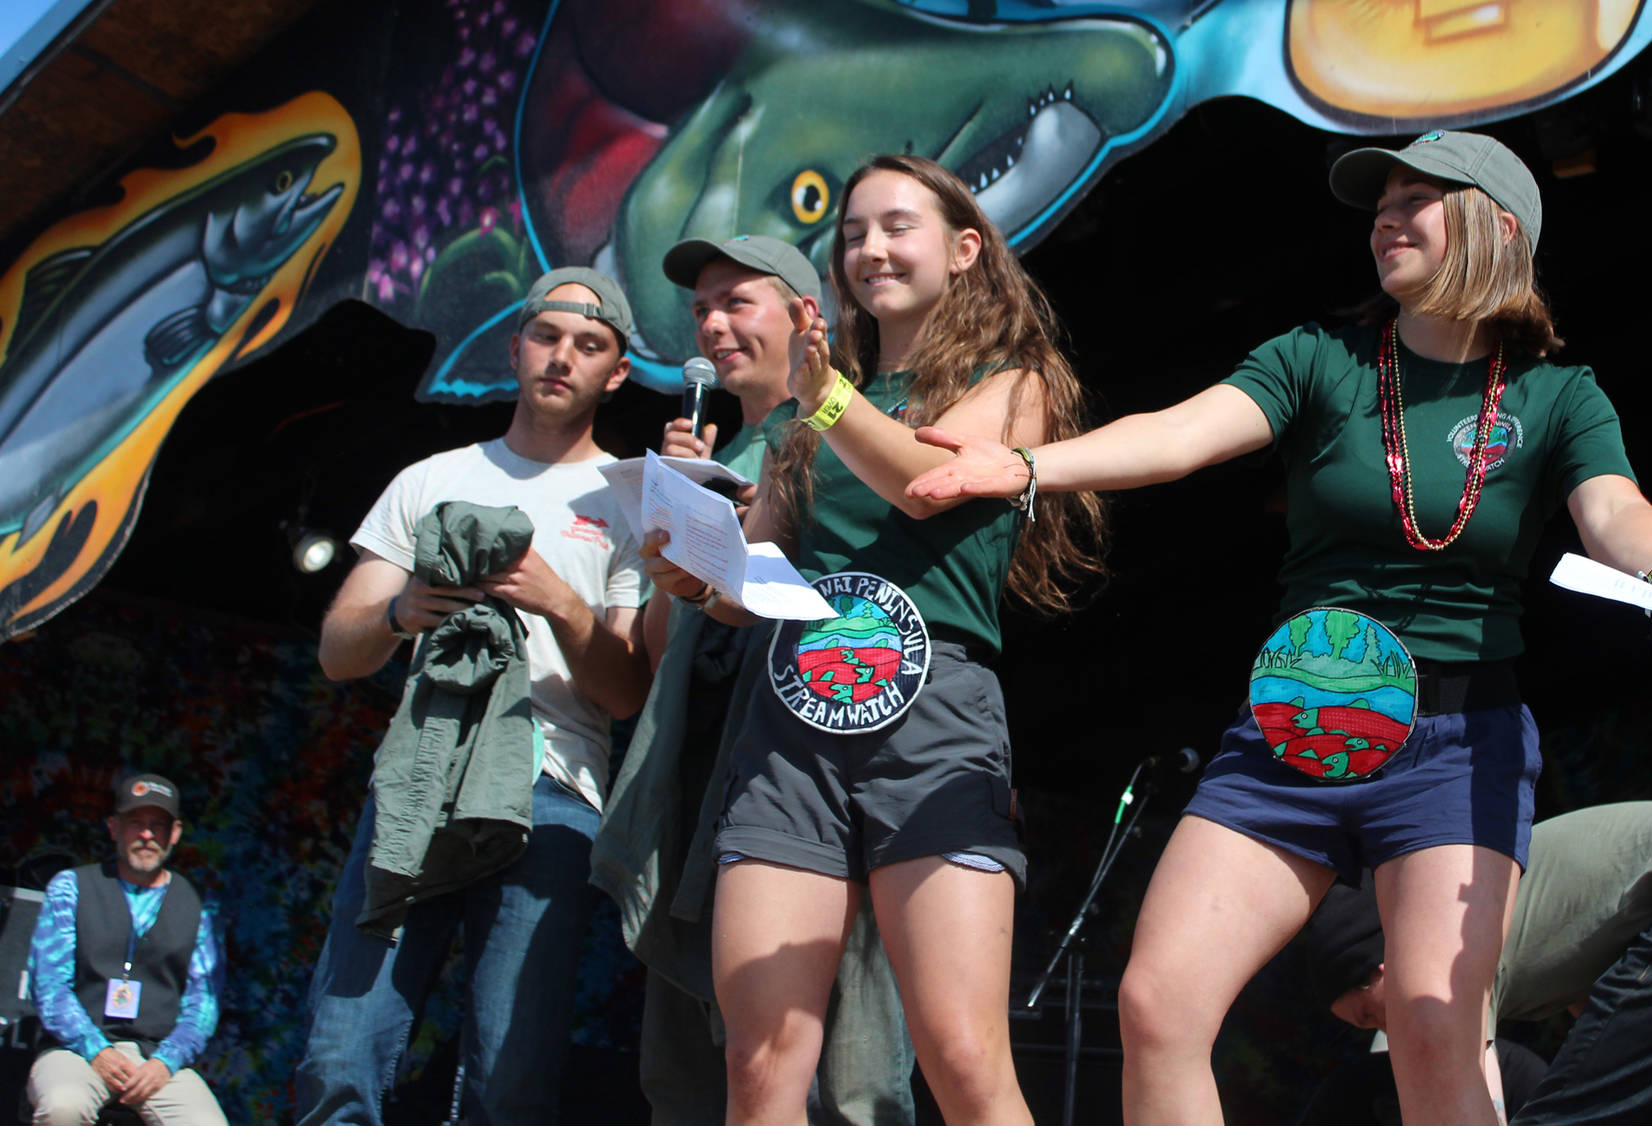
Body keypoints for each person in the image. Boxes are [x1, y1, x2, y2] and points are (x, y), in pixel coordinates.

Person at [908, 130, 1652, 1126]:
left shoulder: (1558, 395)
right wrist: (1033, 466)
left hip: (1455, 743)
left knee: (1435, 1026)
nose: (1384, 219)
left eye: (1414, 199)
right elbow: (1177, 434)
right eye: (1378, 203)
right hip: (1292, 727)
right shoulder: (1318, 360)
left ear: (1495, 227)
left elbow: (1612, 509)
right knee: (1156, 1004)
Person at [640, 153, 1104, 1126]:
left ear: (964, 247)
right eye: (852, 232)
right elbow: (747, 583)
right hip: (789, 735)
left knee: (964, 1063)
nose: (868, 248)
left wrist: (825, 395)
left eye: (896, 225)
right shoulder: (807, 415)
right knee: (761, 1065)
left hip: (932, 727)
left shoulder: (1010, 382)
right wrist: (695, 569)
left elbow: (922, 483)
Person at [296, 269, 648, 1126]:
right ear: (515, 345)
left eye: (589, 345)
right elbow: (338, 651)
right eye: (547, 336)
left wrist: (557, 598)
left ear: (618, 374)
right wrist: (399, 610)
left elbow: (627, 690)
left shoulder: (634, 500)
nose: (563, 357)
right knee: (342, 1053)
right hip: (419, 783)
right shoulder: (431, 477)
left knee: (509, 1076)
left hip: (554, 797)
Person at [589, 234, 914, 1125]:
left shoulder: (855, 432)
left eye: (737, 301)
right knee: (696, 1075)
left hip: (814, 785)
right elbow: (665, 652)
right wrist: (674, 519)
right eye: (701, 308)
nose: (713, 323)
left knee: (851, 1077)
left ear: (806, 315)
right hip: (698, 786)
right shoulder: (718, 451)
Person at [1306, 801, 1652, 1126]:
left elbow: (1467, 1096)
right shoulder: (1503, 904)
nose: (1380, 1031)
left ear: (1382, 968)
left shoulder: (1450, 943)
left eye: (1366, 1017)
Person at [26, 773, 227, 1126]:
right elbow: (49, 987)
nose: (147, 835)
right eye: (136, 823)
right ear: (114, 828)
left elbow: (204, 1005)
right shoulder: (71, 888)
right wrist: (96, 1049)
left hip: (157, 1059)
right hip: (76, 1051)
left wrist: (166, 1062)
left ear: (175, 833)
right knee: (63, 1106)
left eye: (158, 826)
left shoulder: (199, 906)